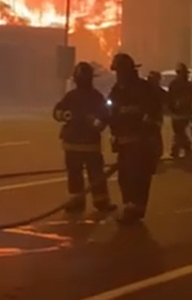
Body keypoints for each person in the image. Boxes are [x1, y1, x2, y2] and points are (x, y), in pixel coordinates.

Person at [105, 52, 164, 224]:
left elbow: (154, 112)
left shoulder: (144, 89)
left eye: (120, 71)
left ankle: (135, 208)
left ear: (128, 71)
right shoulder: (117, 90)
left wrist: (147, 131)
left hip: (142, 143)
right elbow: (112, 112)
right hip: (125, 143)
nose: (118, 75)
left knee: (139, 176)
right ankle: (133, 207)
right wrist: (114, 132)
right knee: (126, 176)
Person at [52, 62, 116, 214]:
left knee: (77, 175)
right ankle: (99, 201)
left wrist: (93, 122)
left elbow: (57, 111)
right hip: (86, 144)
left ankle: (79, 202)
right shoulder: (95, 97)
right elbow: (105, 117)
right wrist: (95, 123)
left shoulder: (73, 96)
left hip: (76, 144)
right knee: (95, 174)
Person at [166, 63, 192, 158]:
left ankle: (177, 149)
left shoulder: (188, 85)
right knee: (179, 131)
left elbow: (191, 98)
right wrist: (171, 108)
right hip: (176, 112)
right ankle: (185, 147)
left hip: (185, 112)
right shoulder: (174, 85)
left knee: (179, 131)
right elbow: (170, 98)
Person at [145, 70, 167, 168]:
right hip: (147, 116)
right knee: (148, 135)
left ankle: (156, 153)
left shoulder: (159, 91)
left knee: (155, 134)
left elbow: (166, 101)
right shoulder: (143, 90)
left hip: (155, 117)